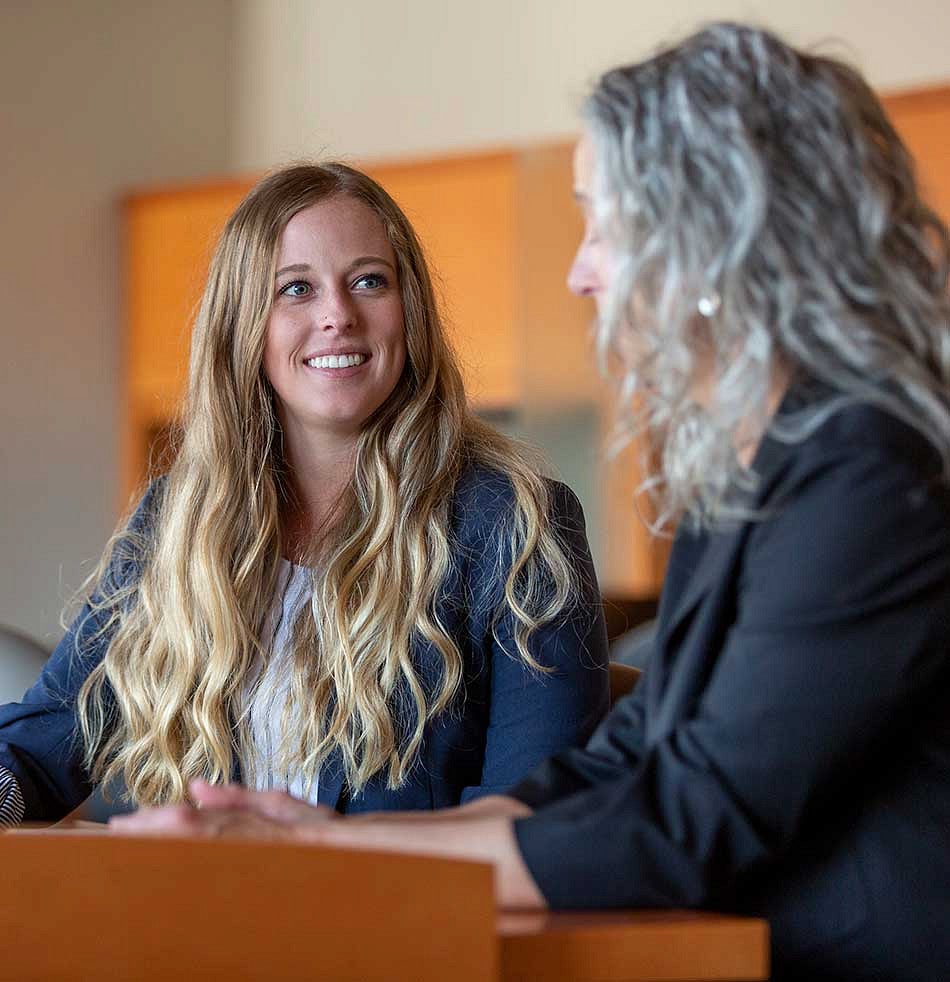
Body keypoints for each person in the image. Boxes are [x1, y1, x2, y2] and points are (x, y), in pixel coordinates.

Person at [109, 24, 950, 981]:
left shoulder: (869, 477)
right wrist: (314, 839)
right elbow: (615, 766)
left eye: (603, 225)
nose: (581, 270)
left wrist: (314, 855)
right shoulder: (762, 469)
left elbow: (684, 822)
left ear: (713, 236)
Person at [0, 162, 610, 825]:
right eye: (296, 289)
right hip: (190, 918)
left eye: (369, 282)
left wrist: (320, 859)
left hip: (402, 923)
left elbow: (539, 817)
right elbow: (38, 749)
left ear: (409, 311)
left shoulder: (517, 525)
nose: (337, 316)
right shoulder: (176, 520)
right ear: (244, 327)